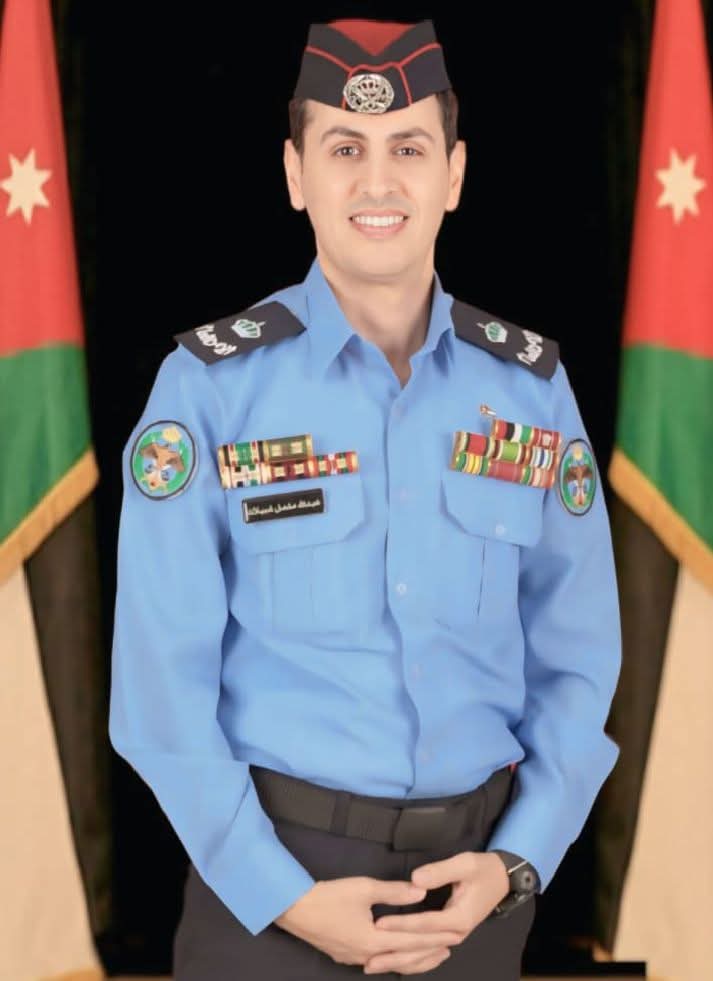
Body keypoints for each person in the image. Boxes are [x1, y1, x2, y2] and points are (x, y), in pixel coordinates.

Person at [109, 16, 622, 980]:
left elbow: (579, 655)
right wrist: (282, 894)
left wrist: (518, 860)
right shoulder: (208, 389)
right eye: (344, 148)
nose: (377, 182)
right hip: (267, 896)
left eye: (408, 149)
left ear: (454, 175)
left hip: (474, 899)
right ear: (295, 174)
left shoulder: (531, 389)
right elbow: (157, 690)